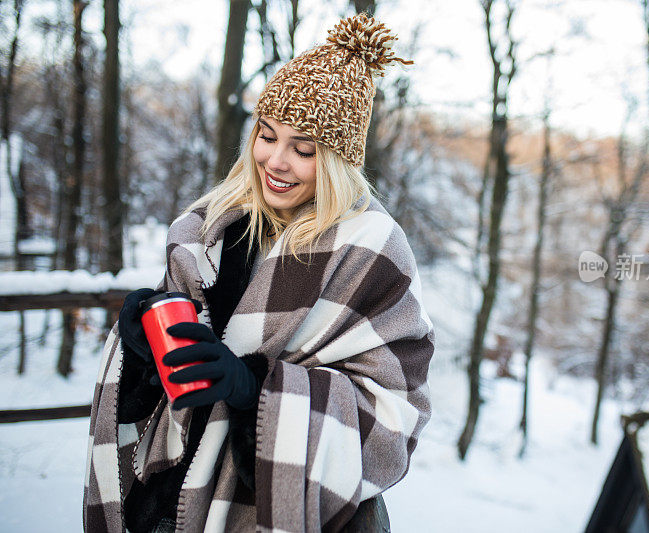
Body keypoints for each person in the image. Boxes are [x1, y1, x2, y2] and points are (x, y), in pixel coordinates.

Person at [83, 12, 434, 533]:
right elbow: (165, 379)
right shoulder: (210, 227)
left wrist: (254, 391)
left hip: (283, 504)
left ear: (339, 161)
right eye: (267, 136)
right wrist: (140, 347)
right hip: (171, 494)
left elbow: (392, 412)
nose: (276, 161)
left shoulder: (372, 252)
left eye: (304, 149)